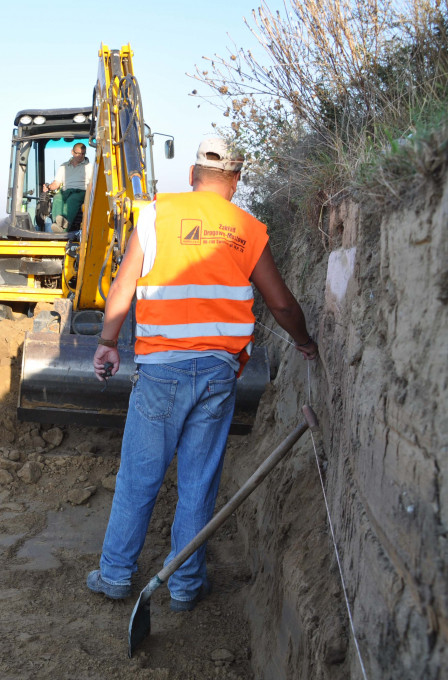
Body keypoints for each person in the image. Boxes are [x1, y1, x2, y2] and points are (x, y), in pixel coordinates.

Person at [86, 137, 319, 611]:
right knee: (198, 479)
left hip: (160, 372)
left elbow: (123, 287)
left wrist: (108, 344)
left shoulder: (155, 215)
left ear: (192, 176)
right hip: (217, 373)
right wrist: (304, 341)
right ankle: (186, 584)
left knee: (139, 476)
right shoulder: (248, 228)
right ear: (234, 182)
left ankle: (114, 576)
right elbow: (281, 303)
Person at [44, 142, 92, 232]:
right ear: (72, 152)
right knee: (57, 197)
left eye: (82, 154)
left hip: (80, 191)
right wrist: (49, 187)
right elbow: (57, 183)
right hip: (65, 191)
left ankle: (64, 228)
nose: (80, 156)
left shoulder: (88, 167)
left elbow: (92, 184)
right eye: (77, 153)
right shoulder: (64, 166)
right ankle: (57, 224)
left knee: (72, 200)